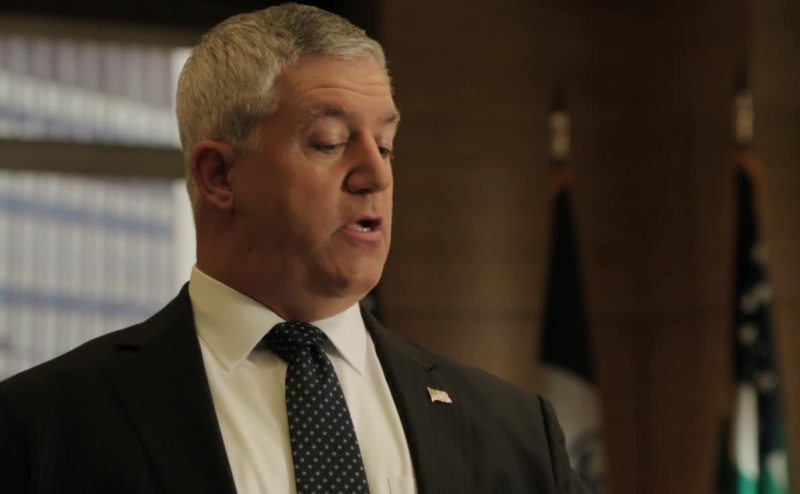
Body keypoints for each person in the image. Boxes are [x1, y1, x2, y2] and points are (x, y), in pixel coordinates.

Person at [0, 3, 588, 493]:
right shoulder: (44, 426)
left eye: (385, 146)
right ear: (219, 176)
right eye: (330, 142)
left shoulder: (514, 432)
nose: (376, 176)